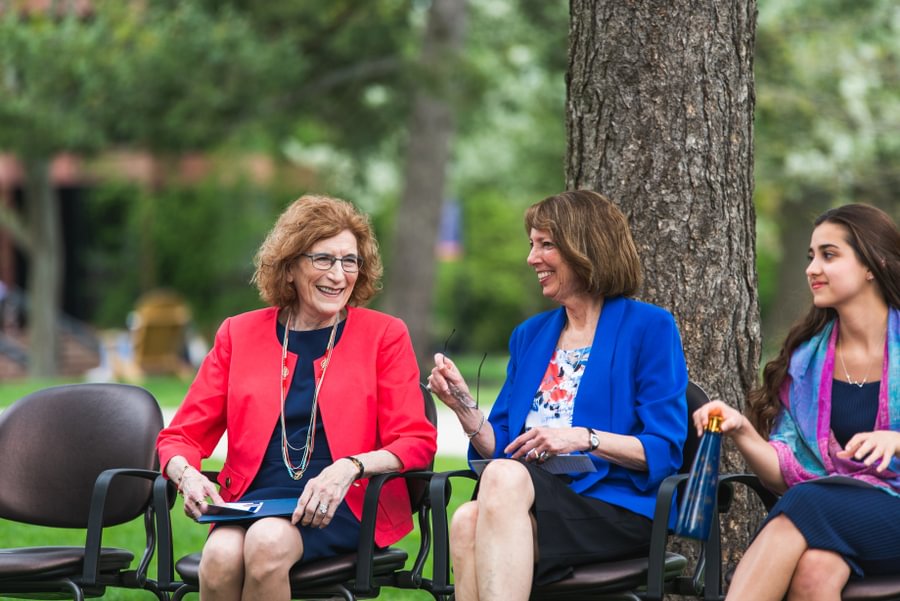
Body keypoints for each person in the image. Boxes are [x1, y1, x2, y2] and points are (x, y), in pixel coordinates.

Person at [156, 194, 437, 601]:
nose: (338, 275)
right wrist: (187, 476)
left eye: (349, 261)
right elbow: (180, 436)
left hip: (345, 500)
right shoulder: (238, 333)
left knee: (266, 544)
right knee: (218, 556)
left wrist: (349, 468)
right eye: (323, 259)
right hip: (253, 500)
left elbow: (416, 441)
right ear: (289, 268)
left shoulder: (384, 335)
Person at [428, 190, 688, 601]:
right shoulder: (530, 335)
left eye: (546, 244)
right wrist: (462, 406)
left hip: (613, 509)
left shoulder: (649, 328)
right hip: (530, 501)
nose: (532, 258)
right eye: (532, 244)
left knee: (495, 487)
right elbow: (501, 448)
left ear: (585, 248)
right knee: (465, 519)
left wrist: (584, 437)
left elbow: (663, 448)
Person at [693, 204, 900, 600]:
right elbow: (784, 473)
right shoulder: (807, 360)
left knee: (806, 500)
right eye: (810, 257)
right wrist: (740, 427)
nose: (812, 269)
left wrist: (896, 440)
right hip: (838, 515)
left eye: (829, 255)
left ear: (872, 265)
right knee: (814, 570)